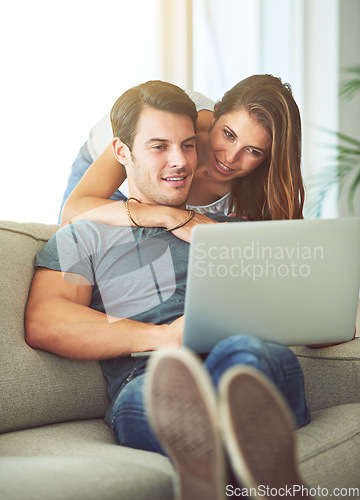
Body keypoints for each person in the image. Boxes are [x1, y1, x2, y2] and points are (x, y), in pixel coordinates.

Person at [26, 81, 310, 500]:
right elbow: (47, 320)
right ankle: (248, 471)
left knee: (251, 357)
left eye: (188, 146)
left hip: (238, 353)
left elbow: (311, 312)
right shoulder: (84, 236)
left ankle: (215, 468)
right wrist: (161, 337)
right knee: (154, 397)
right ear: (123, 152)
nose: (180, 161)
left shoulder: (239, 231)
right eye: (159, 146)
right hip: (152, 374)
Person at [59, 75, 305, 235]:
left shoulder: (262, 186)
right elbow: (74, 211)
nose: (230, 157)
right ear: (216, 114)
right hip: (122, 174)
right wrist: (171, 216)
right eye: (229, 135)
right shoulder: (175, 125)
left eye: (253, 150)